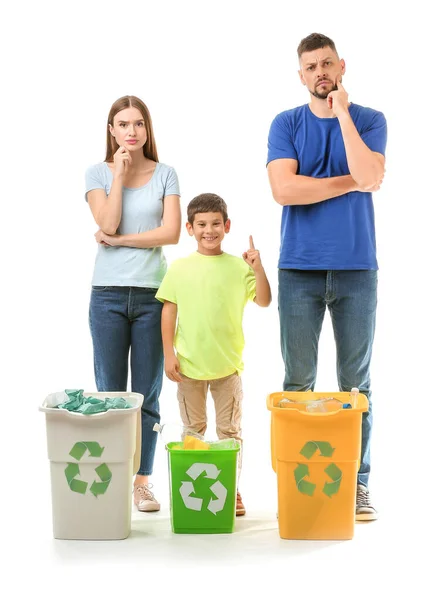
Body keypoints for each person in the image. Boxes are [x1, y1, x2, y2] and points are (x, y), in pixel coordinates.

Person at [267, 33, 387, 521]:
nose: (320, 72)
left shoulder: (369, 120)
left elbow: (370, 171)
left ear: (341, 67)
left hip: (358, 268)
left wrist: (342, 115)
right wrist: (352, 184)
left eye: (326, 64)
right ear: (300, 75)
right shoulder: (286, 123)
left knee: (356, 384)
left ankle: (357, 483)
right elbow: (283, 190)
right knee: (298, 382)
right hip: (299, 269)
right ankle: (296, 479)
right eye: (310, 67)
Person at [85, 95, 181, 512]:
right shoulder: (96, 173)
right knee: (109, 396)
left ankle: (142, 481)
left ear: (147, 128)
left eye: (138, 123)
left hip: (152, 295)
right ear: (111, 130)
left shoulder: (166, 174)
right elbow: (105, 222)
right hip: (106, 296)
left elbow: (171, 233)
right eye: (122, 124)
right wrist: (119, 176)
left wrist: (121, 241)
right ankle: (112, 479)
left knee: (147, 395)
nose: (131, 131)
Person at [156, 193, 271, 516]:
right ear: (190, 228)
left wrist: (258, 267)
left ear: (227, 226)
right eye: (202, 225)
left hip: (228, 367)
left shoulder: (239, 267)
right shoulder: (179, 268)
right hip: (189, 367)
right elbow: (169, 312)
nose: (210, 230)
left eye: (216, 224)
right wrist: (169, 354)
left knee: (230, 432)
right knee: (193, 430)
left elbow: (263, 300)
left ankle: (230, 489)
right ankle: (191, 488)